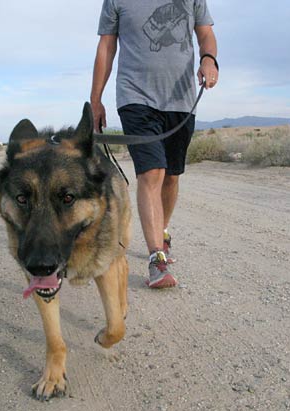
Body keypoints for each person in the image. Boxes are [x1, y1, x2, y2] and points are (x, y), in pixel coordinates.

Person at [91, 0, 219, 288]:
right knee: (152, 172)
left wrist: (208, 58)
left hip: (181, 98)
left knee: (171, 176)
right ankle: (156, 259)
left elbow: (206, 33)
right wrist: (95, 98)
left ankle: (161, 231)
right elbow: (106, 47)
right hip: (134, 96)